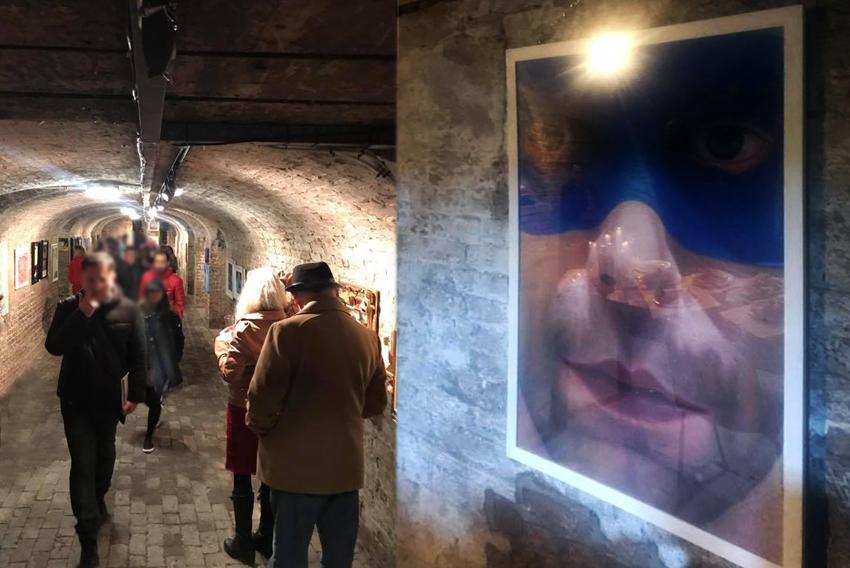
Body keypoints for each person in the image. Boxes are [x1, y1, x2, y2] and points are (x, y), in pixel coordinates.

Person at [247, 261, 387, 568]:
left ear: (298, 295)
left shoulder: (286, 332)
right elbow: (375, 404)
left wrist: (263, 430)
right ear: (333, 291)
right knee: (338, 559)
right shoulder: (367, 337)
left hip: (294, 471)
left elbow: (261, 398)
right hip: (345, 468)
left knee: (289, 557)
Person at [44, 252, 146, 568]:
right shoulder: (68, 309)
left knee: (105, 459)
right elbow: (54, 346)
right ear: (84, 280)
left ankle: (99, 495)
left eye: (104, 279)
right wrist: (82, 314)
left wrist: (136, 395)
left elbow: (138, 355)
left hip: (108, 400)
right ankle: (88, 540)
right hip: (75, 400)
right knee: (82, 464)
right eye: (92, 279)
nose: (98, 285)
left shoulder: (127, 309)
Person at [214, 267, 289, 564]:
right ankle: (267, 537)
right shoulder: (289, 322)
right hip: (278, 408)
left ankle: (243, 541)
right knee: (269, 474)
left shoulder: (245, 327)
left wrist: (221, 347)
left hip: (244, 405)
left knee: (242, 472)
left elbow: (230, 373)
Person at [139, 279, 184, 453]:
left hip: (160, 365)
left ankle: (148, 436)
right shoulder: (140, 314)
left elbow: (179, 339)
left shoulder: (170, 316)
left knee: (154, 400)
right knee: (145, 397)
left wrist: (174, 359)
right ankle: (155, 404)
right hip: (143, 363)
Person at [139, 250, 185, 318]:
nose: (159, 265)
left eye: (162, 262)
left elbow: (180, 307)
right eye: (157, 262)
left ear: (168, 263)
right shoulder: (146, 278)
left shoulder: (176, 281)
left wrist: (171, 308)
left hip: (167, 320)